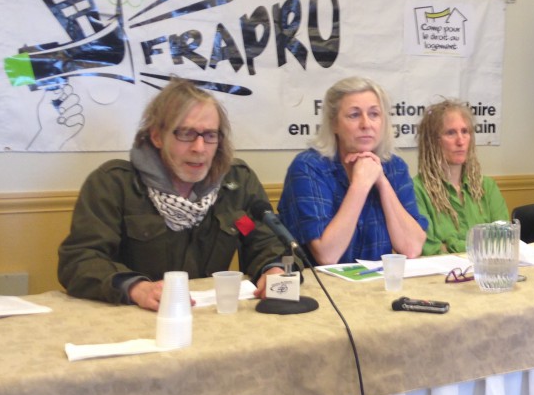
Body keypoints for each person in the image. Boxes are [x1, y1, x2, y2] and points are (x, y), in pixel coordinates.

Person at [58, 78, 288, 310]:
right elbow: (80, 260)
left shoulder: (237, 184)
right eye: (186, 133)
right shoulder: (113, 184)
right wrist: (136, 288)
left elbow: (265, 242)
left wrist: (273, 268)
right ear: (157, 136)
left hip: (212, 315)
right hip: (138, 316)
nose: (199, 148)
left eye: (210, 135)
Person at [278, 77, 427, 265]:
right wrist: (361, 184)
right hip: (321, 282)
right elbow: (327, 255)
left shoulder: (394, 167)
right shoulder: (308, 167)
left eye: (374, 114)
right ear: (334, 124)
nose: (366, 124)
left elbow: (412, 248)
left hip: (376, 281)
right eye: (354, 115)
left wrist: (381, 181)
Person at [413, 99, 509, 255]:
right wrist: (481, 245)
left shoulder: (487, 186)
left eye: (465, 132)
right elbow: (428, 248)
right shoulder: (417, 190)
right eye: (450, 133)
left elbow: (503, 240)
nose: (460, 141)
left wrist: (450, 245)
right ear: (432, 141)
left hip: (487, 268)